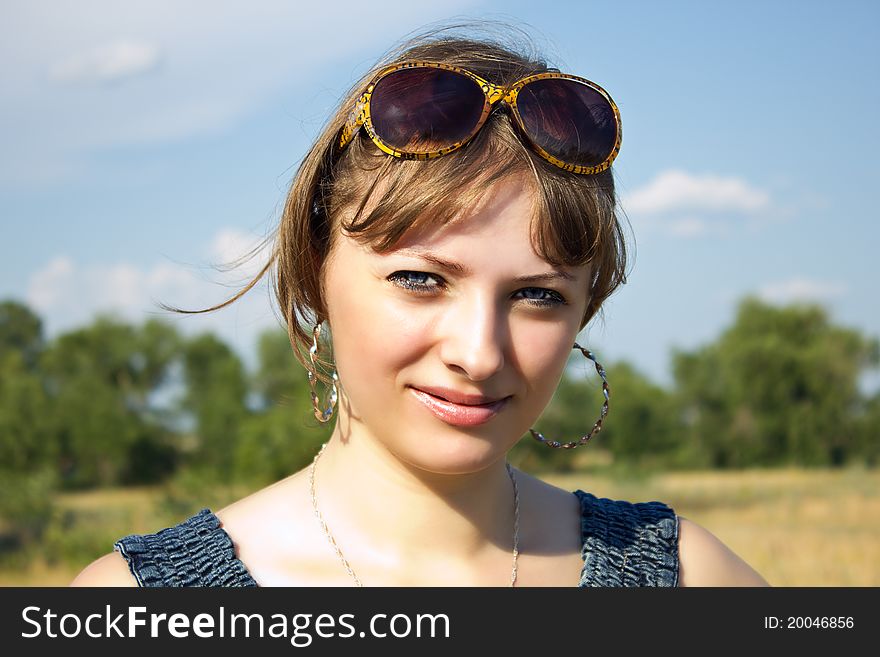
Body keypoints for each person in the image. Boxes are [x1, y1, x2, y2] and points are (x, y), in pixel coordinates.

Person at [71, 25, 768, 587]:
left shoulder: (684, 575)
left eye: (537, 295)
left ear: (585, 309)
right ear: (316, 271)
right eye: (420, 280)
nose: (479, 352)